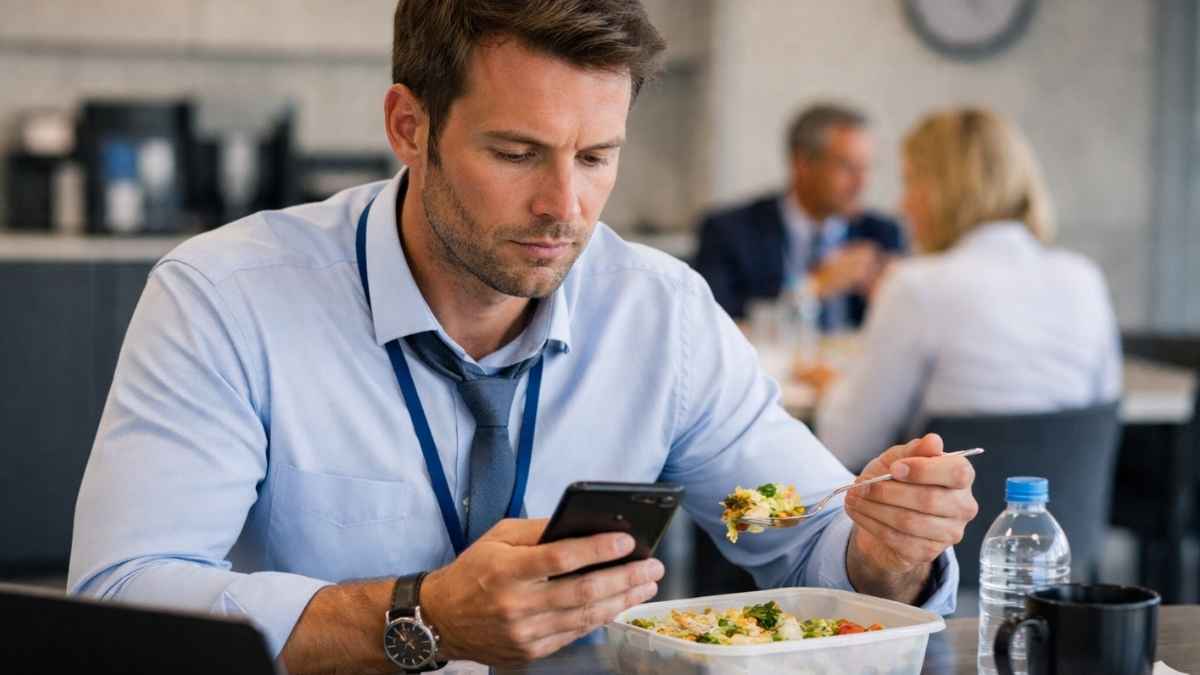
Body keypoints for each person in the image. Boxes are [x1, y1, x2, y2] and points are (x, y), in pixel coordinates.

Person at [68, 2, 978, 673]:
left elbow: (806, 531)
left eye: (597, 157)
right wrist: (419, 615)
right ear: (409, 127)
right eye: (516, 153)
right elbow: (121, 599)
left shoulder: (661, 313)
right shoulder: (227, 298)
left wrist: (886, 550)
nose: (564, 207)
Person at [816, 107, 1121, 470]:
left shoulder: (917, 286)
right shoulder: (1084, 278)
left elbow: (844, 444)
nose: (902, 204)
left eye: (910, 181)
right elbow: (1105, 411)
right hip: (1061, 505)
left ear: (940, 189)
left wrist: (834, 389)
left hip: (953, 505)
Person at [693, 103, 905, 331]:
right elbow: (714, 326)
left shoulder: (881, 234)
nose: (862, 183)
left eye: (867, 167)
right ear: (802, 163)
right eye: (846, 167)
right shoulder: (729, 231)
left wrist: (892, 297)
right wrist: (813, 287)